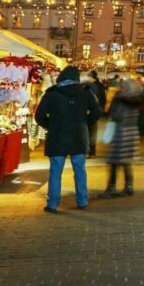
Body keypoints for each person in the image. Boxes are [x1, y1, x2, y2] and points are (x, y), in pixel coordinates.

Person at [34, 66, 102, 212]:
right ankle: (82, 201)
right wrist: (86, 122)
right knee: (80, 170)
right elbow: (97, 112)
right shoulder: (85, 92)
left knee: (55, 171)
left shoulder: (52, 93)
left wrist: (50, 126)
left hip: (57, 137)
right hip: (79, 135)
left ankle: (52, 204)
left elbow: (39, 116)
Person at [99, 78, 144, 198]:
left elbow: (115, 115)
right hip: (132, 134)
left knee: (113, 161)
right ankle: (129, 187)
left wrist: (109, 108)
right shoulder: (138, 100)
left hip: (121, 134)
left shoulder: (120, 99)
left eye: (123, 86)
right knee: (126, 162)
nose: (121, 88)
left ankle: (111, 188)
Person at [86, 70, 107, 157]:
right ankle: (92, 152)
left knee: (89, 132)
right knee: (93, 131)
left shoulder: (90, 86)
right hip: (96, 110)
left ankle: (90, 151)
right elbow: (103, 99)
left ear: (91, 77)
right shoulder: (101, 86)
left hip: (90, 111)